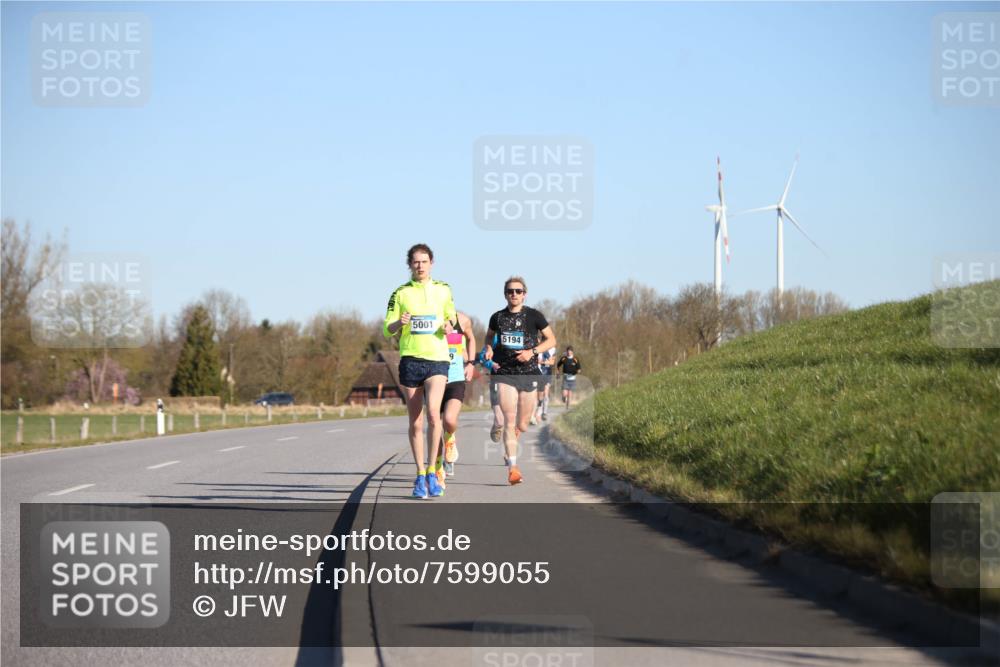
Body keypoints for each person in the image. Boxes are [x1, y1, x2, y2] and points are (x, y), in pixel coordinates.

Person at [384, 244, 456, 499]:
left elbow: (452, 317)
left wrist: (449, 326)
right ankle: (419, 475)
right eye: (416, 262)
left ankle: (434, 471)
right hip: (411, 359)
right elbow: (387, 328)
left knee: (434, 415)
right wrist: (399, 322)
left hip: (437, 359)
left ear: (431, 263)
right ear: (410, 265)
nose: (420, 266)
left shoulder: (443, 289)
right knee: (415, 422)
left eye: (424, 261)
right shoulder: (400, 293)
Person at [484, 277, 557, 485]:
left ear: (524, 294)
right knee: (509, 418)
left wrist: (531, 352)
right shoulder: (497, 317)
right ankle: (513, 467)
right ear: (505, 294)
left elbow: (551, 340)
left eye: (518, 291)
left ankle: (513, 440)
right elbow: (489, 337)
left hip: (529, 372)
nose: (514, 294)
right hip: (505, 372)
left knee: (523, 424)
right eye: (510, 291)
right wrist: (488, 348)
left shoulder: (534, 316)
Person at [436, 311, 476, 481]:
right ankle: (438, 467)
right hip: (433, 378)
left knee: (449, 420)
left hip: (455, 378)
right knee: (435, 426)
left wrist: (471, 363)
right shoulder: (429, 316)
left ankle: (450, 438)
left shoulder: (463, 320)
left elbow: (471, 339)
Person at [532, 347, 556, 424]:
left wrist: (541, 362)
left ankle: (543, 413)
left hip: (547, 375)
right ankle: (534, 414)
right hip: (537, 374)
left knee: (545, 394)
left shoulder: (552, 350)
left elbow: (552, 362)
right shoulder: (535, 349)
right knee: (536, 396)